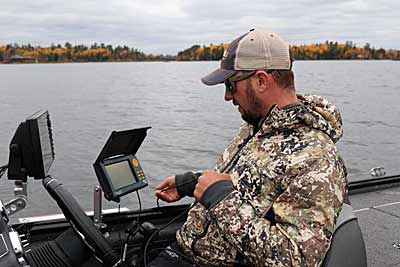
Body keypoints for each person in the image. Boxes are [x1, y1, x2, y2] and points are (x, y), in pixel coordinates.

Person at [153, 29, 347, 267]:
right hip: (183, 252)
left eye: (230, 84)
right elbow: (242, 186)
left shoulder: (317, 158)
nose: (226, 96)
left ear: (262, 81)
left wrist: (219, 199)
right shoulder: (255, 126)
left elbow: (296, 259)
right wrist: (193, 183)